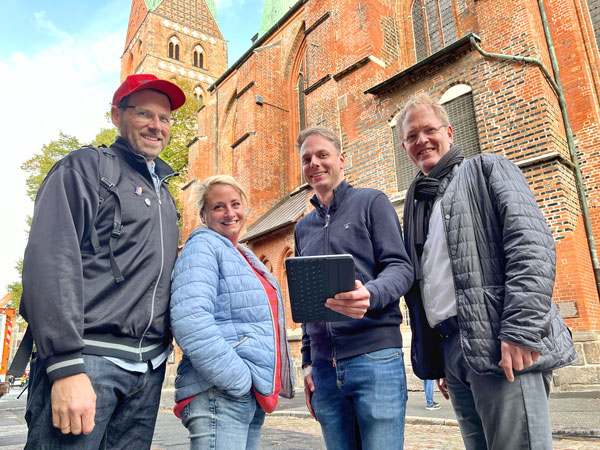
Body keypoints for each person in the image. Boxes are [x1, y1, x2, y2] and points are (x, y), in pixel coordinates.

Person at [399, 94, 578, 450]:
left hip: (502, 342)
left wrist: (521, 329)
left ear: (449, 132)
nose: (421, 141)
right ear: (405, 146)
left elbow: (532, 247)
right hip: (455, 351)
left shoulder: (486, 169)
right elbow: (427, 286)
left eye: (429, 130)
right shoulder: (418, 203)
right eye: (411, 136)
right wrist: (441, 359)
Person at [20, 74, 186, 449]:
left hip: (148, 369)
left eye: (165, 118)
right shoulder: (86, 167)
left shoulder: (166, 195)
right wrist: (65, 367)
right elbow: (50, 261)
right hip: (89, 359)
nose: (156, 126)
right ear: (116, 115)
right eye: (144, 113)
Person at [294, 127, 414, 450]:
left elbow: (402, 268)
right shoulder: (302, 228)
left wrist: (371, 295)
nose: (315, 164)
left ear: (341, 160)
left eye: (322, 155)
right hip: (324, 372)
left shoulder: (372, 202)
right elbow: (307, 305)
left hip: (375, 358)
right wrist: (307, 362)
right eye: (307, 159)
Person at [170, 175, 294, 450]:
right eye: (218, 207)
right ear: (203, 215)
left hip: (243, 394)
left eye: (235, 204)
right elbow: (190, 320)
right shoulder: (203, 247)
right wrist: (238, 379)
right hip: (219, 392)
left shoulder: (241, 253)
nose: (229, 213)